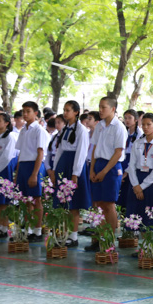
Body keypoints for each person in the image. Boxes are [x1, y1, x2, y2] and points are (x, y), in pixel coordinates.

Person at [85, 96, 126, 251]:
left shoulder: (119, 127)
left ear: (113, 109)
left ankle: (109, 240)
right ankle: (100, 238)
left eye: (104, 107)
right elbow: (94, 148)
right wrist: (92, 169)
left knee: (109, 204)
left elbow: (118, 152)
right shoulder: (100, 125)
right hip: (98, 164)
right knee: (98, 204)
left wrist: (104, 171)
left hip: (111, 167)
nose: (100, 110)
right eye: (100, 107)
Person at [52, 100, 92, 248]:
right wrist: (55, 169)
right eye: (64, 110)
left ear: (76, 112)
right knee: (63, 203)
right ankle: (64, 233)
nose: (65, 113)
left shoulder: (81, 130)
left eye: (68, 110)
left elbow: (81, 153)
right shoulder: (65, 129)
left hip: (74, 166)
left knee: (73, 203)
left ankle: (73, 236)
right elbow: (60, 150)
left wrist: (75, 174)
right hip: (63, 165)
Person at [127, 113, 153, 247]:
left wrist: (142, 186)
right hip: (137, 179)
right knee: (139, 213)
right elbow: (131, 166)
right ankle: (144, 247)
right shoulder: (138, 143)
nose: (145, 127)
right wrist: (135, 185)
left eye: (148, 124)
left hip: (152, 182)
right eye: (143, 124)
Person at [14, 101, 48, 242]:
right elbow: (21, 152)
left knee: (36, 199)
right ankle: (28, 229)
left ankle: (38, 231)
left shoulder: (39, 130)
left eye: (28, 111)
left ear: (35, 113)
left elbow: (40, 153)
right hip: (23, 165)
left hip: (34, 165)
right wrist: (17, 173)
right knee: (25, 200)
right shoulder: (23, 130)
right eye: (24, 111)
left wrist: (34, 174)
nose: (25, 114)